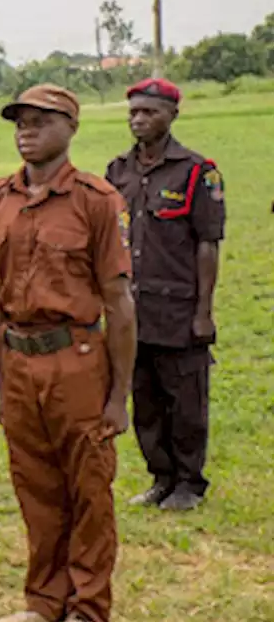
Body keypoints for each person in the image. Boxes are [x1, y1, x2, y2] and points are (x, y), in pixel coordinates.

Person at [0, 84, 135, 622]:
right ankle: (44, 598)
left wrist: (118, 395)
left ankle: (88, 607)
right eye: (20, 120)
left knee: (88, 486)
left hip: (77, 359)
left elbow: (118, 302)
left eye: (41, 121)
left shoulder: (97, 200)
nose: (26, 130)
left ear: (70, 127)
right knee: (35, 485)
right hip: (20, 361)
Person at [106, 78, 224, 512]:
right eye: (134, 111)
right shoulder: (117, 171)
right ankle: (161, 477)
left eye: (149, 112)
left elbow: (207, 243)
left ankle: (189, 483)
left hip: (178, 307)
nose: (139, 119)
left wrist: (203, 313)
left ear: (172, 115)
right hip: (132, 309)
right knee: (145, 399)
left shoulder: (196, 172)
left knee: (185, 401)